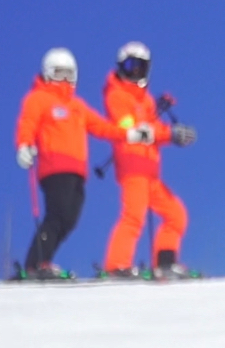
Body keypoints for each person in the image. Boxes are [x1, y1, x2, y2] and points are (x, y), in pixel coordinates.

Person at [13, 48, 153, 280]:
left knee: (69, 219)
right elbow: (27, 123)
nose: (64, 79)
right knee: (57, 215)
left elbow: (102, 127)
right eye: (58, 73)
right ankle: (34, 264)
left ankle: (42, 263)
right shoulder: (38, 98)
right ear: (48, 74)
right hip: (54, 167)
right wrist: (24, 145)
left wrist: (130, 134)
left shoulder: (77, 106)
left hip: (78, 170)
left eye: (69, 74)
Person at [101, 42, 199, 279]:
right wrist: (169, 134)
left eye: (140, 66)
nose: (135, 71)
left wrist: (173, 134)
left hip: (150, 172)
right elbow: (130, 128)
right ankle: (116, 265)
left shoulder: (146, 102)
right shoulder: (117, 96)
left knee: (176, 214)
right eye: (130, 65)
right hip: (133, 168)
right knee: (134, 216)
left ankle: (165, 262)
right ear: (120, 67)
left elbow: (154, 129)